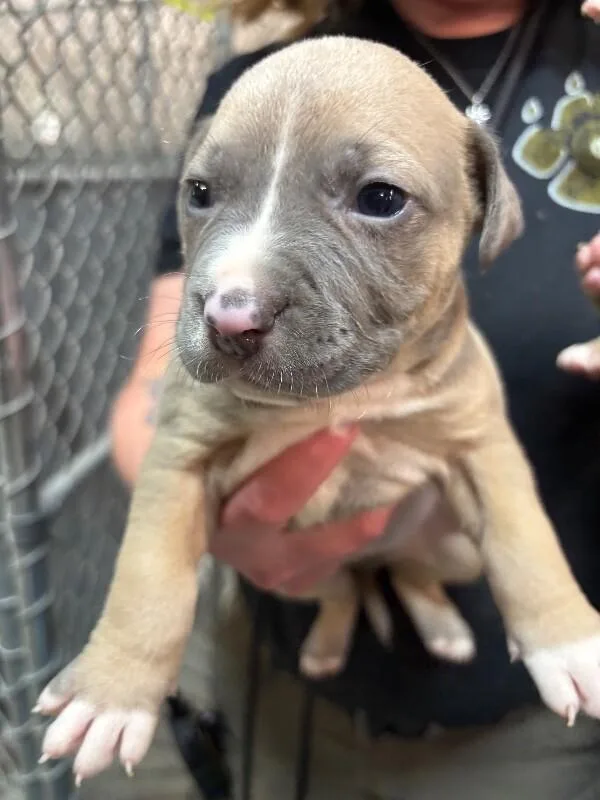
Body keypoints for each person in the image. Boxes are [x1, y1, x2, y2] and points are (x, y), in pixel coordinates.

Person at [111, 1, 600, 796]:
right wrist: (220, 529)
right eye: (206, 192)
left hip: (540, 705)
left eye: (377, 198)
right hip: (286, 684)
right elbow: (153, 397)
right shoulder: (252, 88)